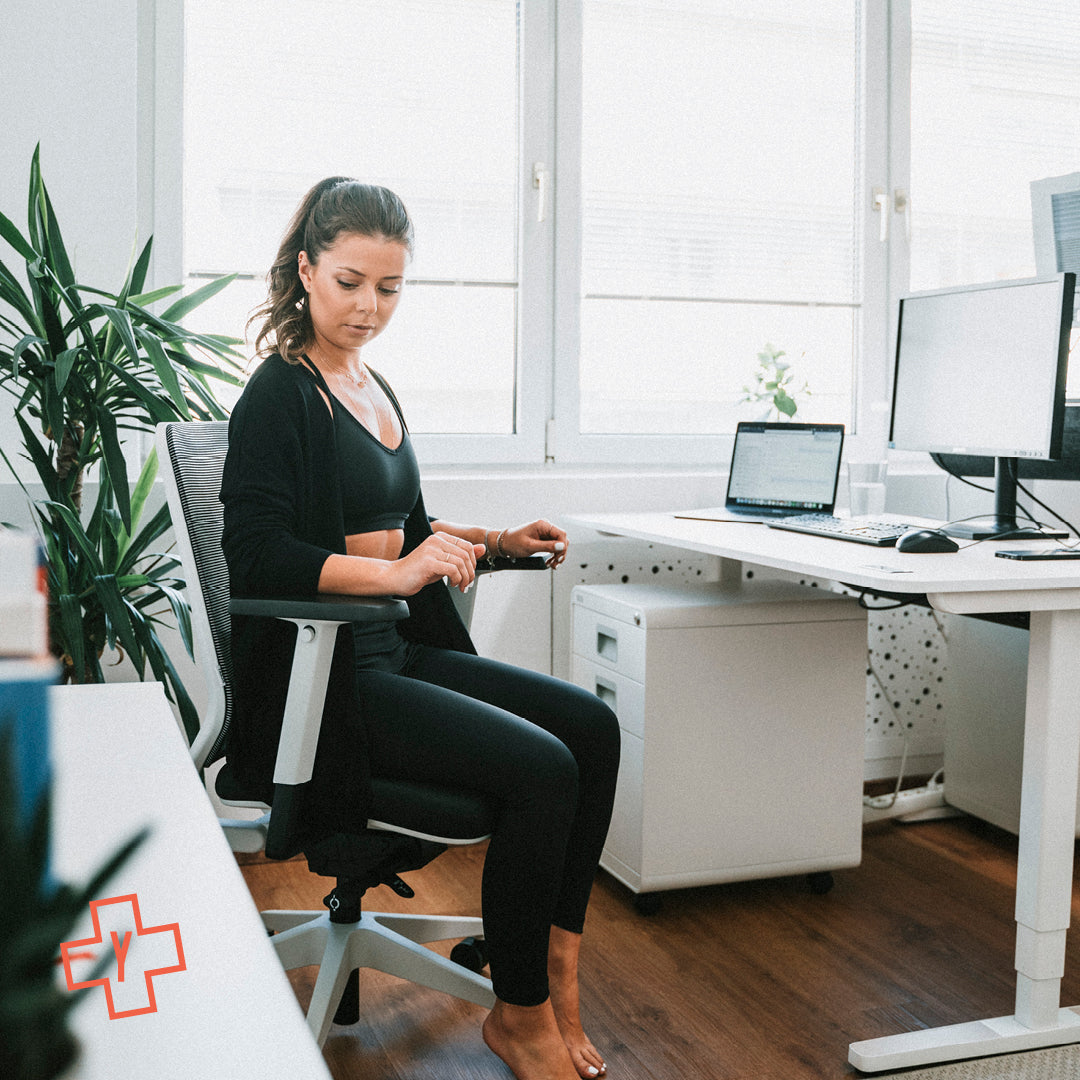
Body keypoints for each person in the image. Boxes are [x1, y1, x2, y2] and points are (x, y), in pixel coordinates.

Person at [219, 176, 621, 1080]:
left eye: (389, 288)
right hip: (328, 685)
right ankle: (518, 1016)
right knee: (543, 767)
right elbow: (256, 552)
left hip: (394, 651)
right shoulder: (279, 394)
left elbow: (406, 523)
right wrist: (400, 572)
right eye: (350, 281)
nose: (369, 307)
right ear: (305, 271)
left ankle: (558, 971)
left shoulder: (371, 382)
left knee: (591, 729)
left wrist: (493, 542)